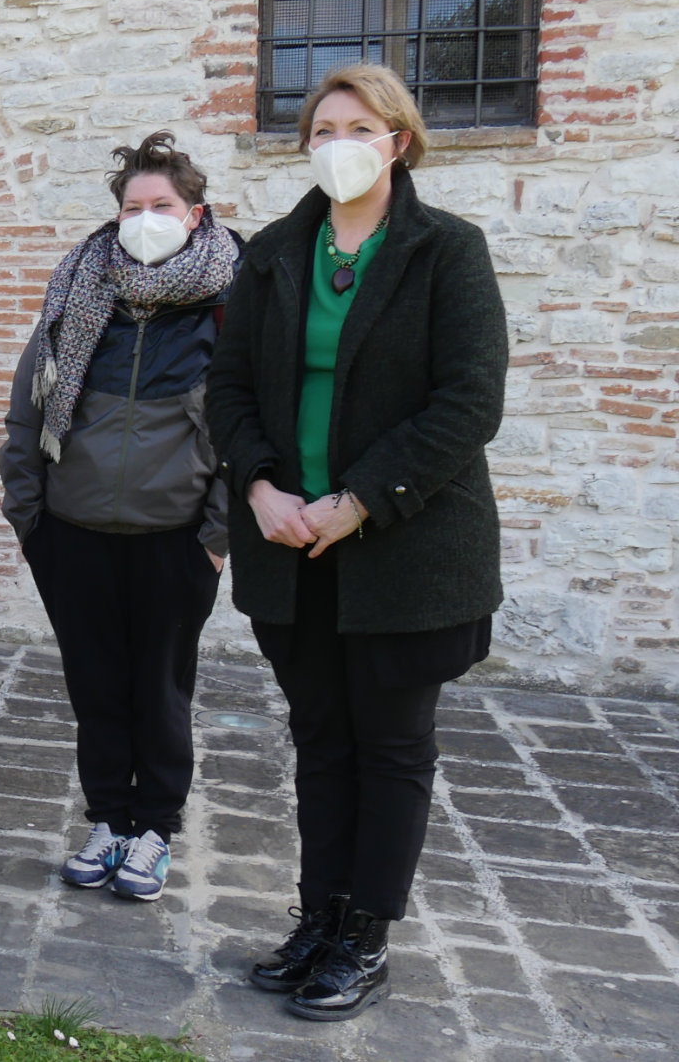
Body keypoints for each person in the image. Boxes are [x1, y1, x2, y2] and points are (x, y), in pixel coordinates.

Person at [206, 63, 506, 1021]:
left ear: (398, 141)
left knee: (391, 744)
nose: (336, 139)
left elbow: (469, 400)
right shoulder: (274, 255)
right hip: (290, 544)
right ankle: (321, 914)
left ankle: (367, 935)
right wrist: (257, 486)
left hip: (402, 550)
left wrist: (361, 498)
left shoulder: (447, 251)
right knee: (321, 738)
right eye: (321, 125)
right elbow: (230, 391)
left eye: (357, 124)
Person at [1, 131, 241, 902]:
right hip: (72, 535)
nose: (145, 217)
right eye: (133, 205)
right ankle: (107, 817)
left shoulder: (230, 302)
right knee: (96, 687)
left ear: (195, 214)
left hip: (175, 540)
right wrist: (29, 518)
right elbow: (25, 409)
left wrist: (216, 536)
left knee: (161, 690)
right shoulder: (77, 290)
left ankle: (154, 830)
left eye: (161, 205)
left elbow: (248, 425)